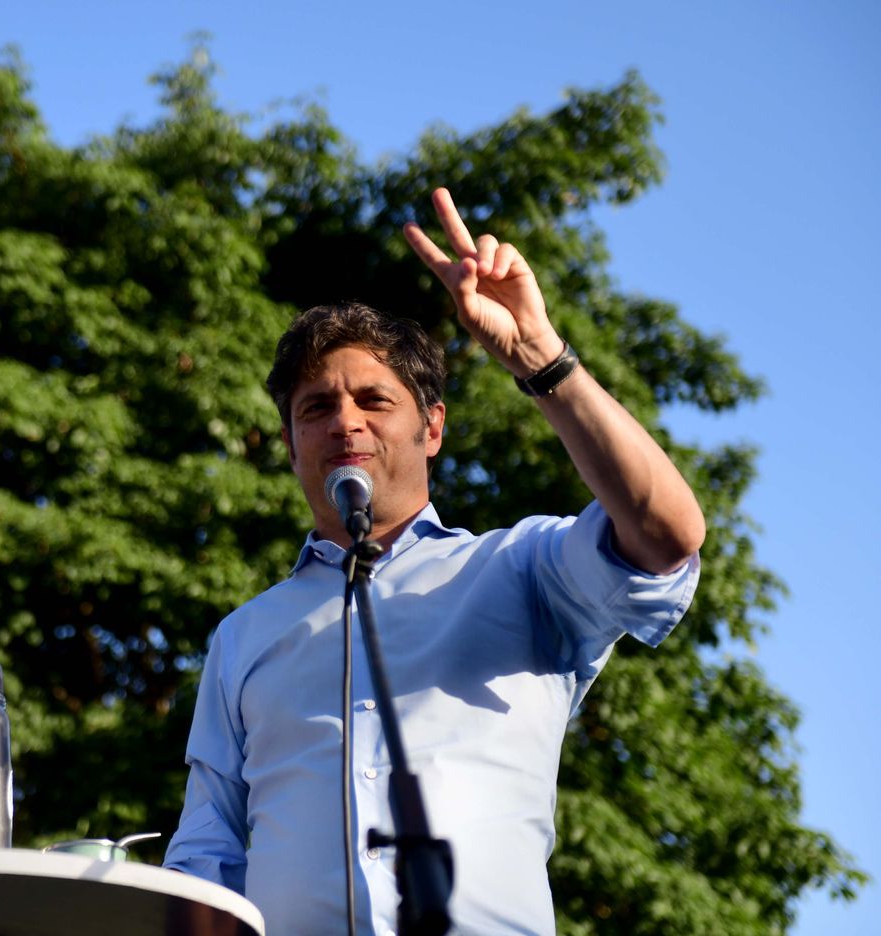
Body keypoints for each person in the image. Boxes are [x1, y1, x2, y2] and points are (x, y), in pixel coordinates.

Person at [162, 188, 704, 935]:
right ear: (290, 446)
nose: (345, 422)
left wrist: (540, 358)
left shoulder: (521, 569)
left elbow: (667, 532)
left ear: (433, 427)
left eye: (374, 400)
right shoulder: (244, 636)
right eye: (316, 408)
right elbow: (206, 855)